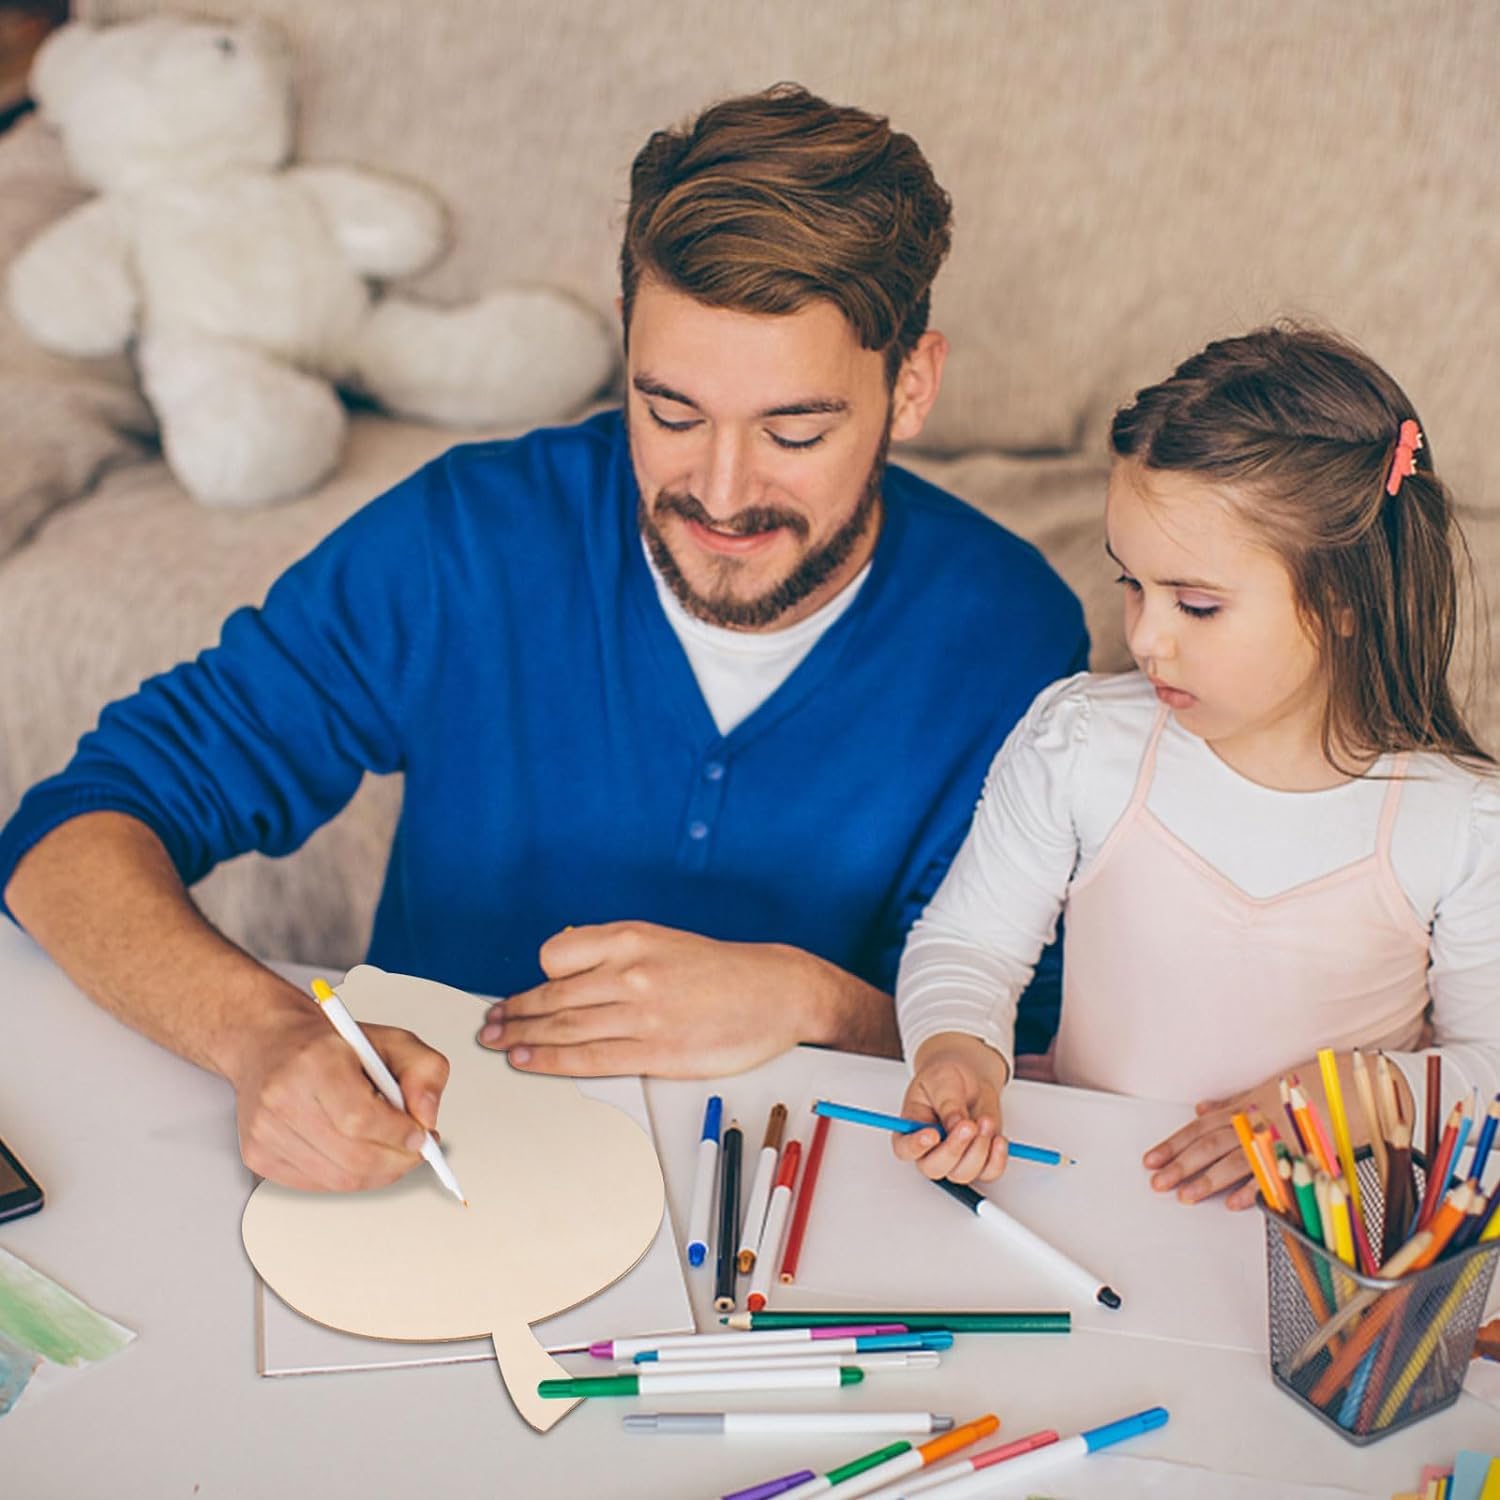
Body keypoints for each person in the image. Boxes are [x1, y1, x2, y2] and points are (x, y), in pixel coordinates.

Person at [0, 85, 1086, 1194]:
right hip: (431, 1186)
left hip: (796, 1222)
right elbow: (67, 838)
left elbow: (1040, 1059)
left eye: (794, 431)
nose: (719, 493)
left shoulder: (1007, 637)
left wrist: (815, 1005)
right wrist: (259, 1035)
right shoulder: (466, 542)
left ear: (911, 388)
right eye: (668, 414)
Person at [892, 324, 1499, 1207]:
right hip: (1082, 1188)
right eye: (1130, 584)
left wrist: (1342, 1104)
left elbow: (1489, 1067)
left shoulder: (1459, 824)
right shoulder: (1079, 744)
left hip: (1316, 1243)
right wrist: (955, 1050)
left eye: (1198, 605)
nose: (1144, 637)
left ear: (1341, 601)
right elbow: (968, 942)